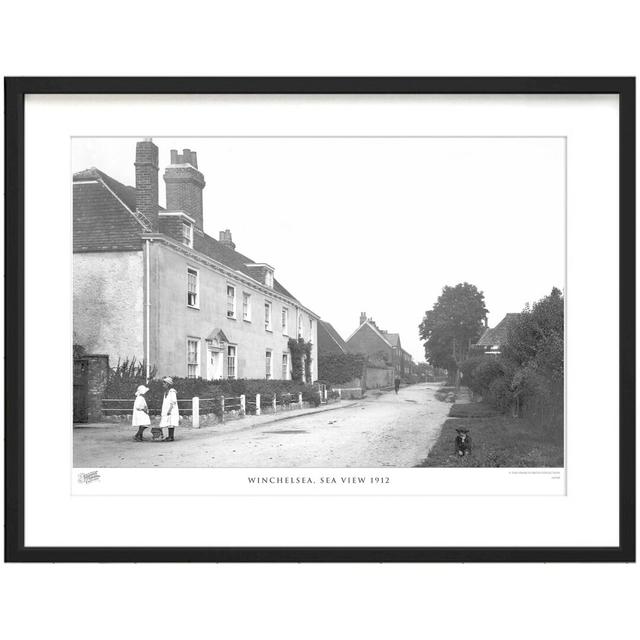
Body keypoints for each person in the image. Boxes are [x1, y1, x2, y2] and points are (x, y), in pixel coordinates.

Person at [160, 377, 179, 442]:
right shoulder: (166, 392)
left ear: (167, 384)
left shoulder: (172, 392)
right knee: (169, 423)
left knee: (171, 422)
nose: (163, 385)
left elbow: (173, 402)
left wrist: (169, 410)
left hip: (171, 410)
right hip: (167, 409)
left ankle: (171, 437)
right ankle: (170, 436)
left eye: (164, 383)